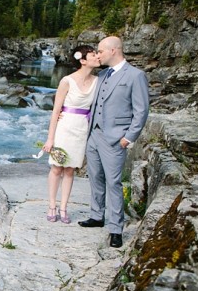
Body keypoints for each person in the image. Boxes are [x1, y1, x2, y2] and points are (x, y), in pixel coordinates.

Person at [78, 36, 150, 248]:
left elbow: (141, 110)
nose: (98, 55)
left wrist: (129, 137)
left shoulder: (136, 76)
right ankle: (96, 216)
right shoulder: (102, 75)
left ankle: (116, 228)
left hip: (116, 138)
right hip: (95, 135)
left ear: (112, 50)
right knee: (95, 177)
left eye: (100, 51)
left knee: (114, 183)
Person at [42, 45, 100, 224]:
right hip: (64, 127)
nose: (97, 56)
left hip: (82, 128)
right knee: (57, 167)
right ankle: (52, 205)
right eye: (93, 54)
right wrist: (50, 138)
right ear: (82, 60)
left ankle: (64, 207)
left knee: (70, 169)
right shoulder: (67, 81)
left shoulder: (98, 81)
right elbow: (55, 110)